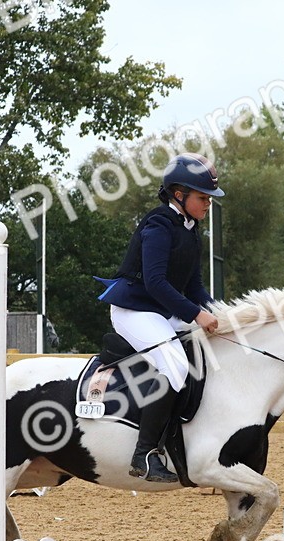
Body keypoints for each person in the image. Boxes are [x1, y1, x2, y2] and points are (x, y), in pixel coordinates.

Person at [96, 153, 224, 482]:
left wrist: (221, 312)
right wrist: (195, 314)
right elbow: (155, 283)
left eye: (209, 198)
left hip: (162, 312)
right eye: (203, 197)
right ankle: (145, 453)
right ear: (179, 195)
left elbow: (193, 286)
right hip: (135, 310)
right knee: (176, 365)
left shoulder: (191, 229)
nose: (208, 203)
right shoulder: (158, 225)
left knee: (207, 350)